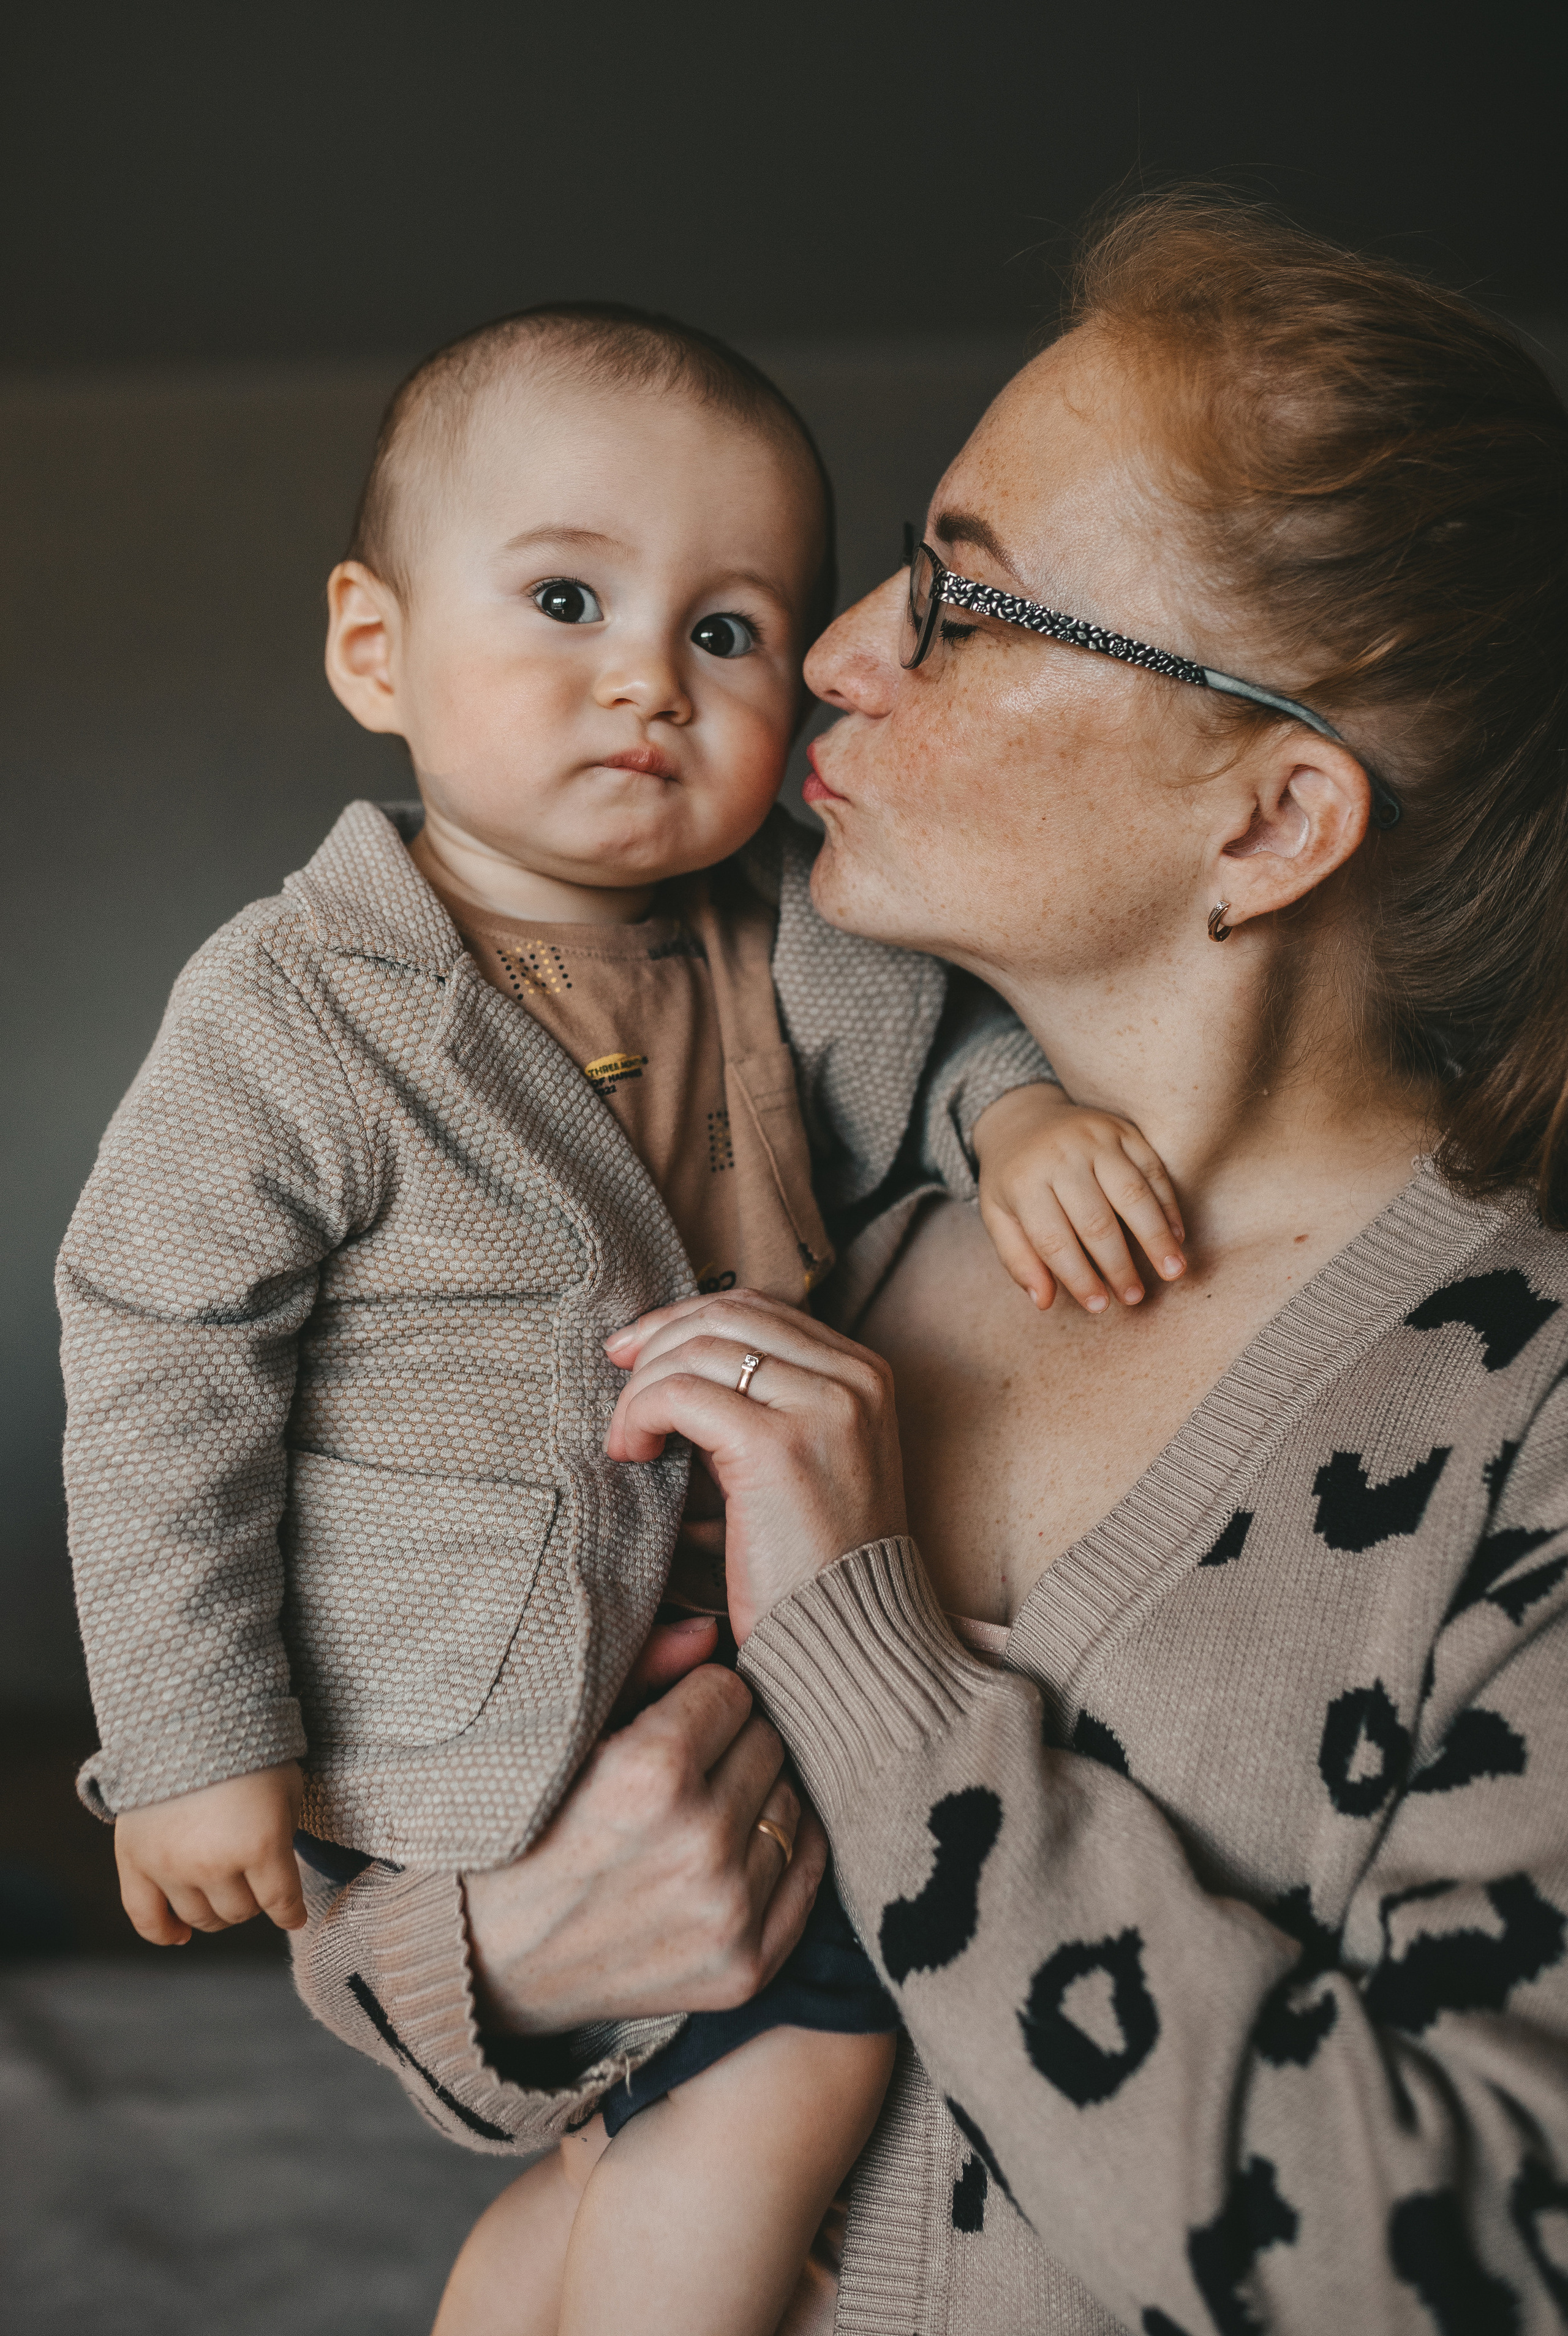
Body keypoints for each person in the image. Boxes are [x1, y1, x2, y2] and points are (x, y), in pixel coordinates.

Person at [309, 196, 1566, 2334]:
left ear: (1270, 821)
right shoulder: (821, 1240)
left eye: (966, 603)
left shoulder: (1518, 1424)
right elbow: (434, 1871)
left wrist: (875, 1682)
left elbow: (1463, 2265)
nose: (830, 648)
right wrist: (508, 1961)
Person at [56, 303, 1189, 2336]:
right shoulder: (300, 1010)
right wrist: (190, 1736)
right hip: (464, 1707)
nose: (647, 684)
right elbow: (157, 1357)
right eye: (568, 598)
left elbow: (939, 1048)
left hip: (731, 1649)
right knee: (809, 2055)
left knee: (643, 2133)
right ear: (374, 647)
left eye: (729, 632)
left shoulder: (797, 923)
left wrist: (1018, 1122)